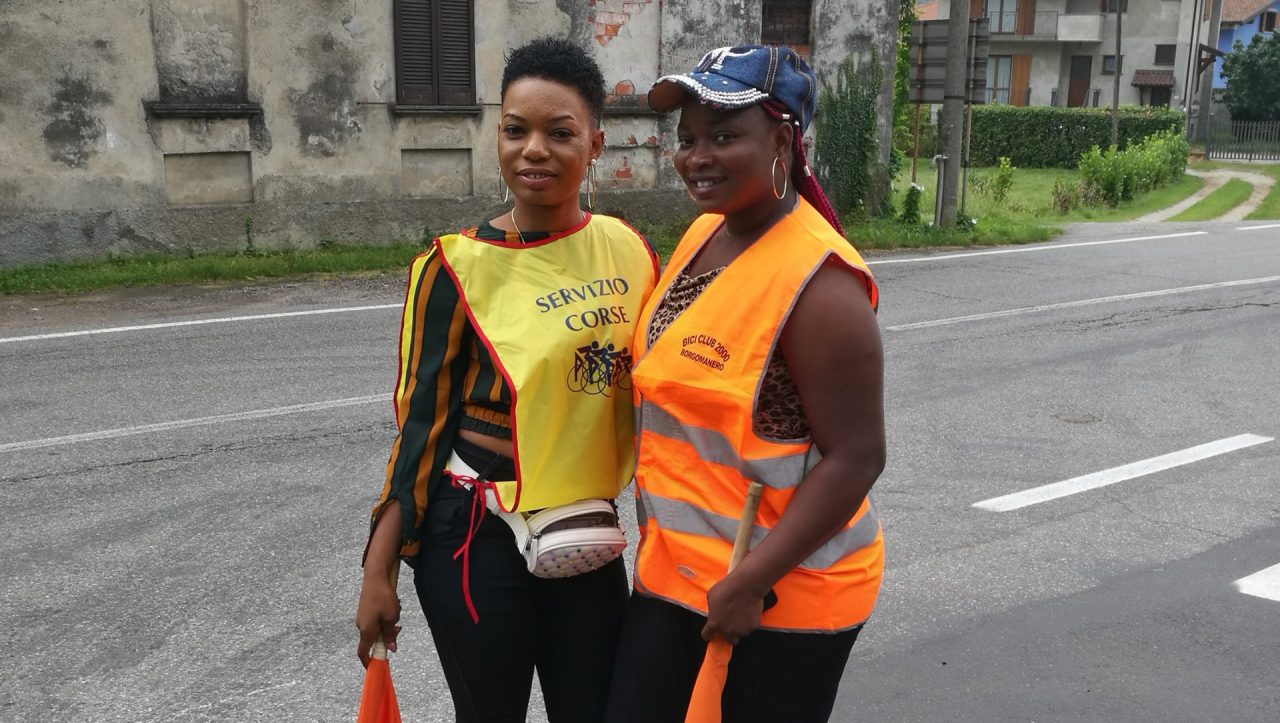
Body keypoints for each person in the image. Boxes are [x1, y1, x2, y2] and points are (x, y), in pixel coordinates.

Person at [356, 37, 658, 723]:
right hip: (475, 537)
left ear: (596, 143)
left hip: (584, 534)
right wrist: (378, 571)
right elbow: (420, 429)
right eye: (516, 130)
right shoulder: (454, 267)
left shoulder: (630, 251)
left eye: (560, 133)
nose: (533, 151)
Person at [604, 45, 886, 723]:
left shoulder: (822, 286)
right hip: (678, 573)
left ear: (782, 142)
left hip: (783, 595)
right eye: (688, 139)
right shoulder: (706, 233)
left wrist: (751, 582)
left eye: (725, 137)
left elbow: (857, 458)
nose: (697, 157)